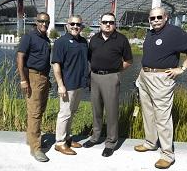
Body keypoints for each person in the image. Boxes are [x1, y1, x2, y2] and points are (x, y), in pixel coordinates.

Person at [134, 7, 187, 169]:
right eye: (152, 18)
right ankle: (150, 142)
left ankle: (167, 154)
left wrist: (182, 68)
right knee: (148, 112)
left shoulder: (174, 32)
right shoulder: (150, 33)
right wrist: (141, 75)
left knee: (162, 117)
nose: (155, 20)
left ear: (166, 17)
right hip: (145, 76)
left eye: (159, 17)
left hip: (161, 79)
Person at [83, 12, 133, 157]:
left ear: (115, 24)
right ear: (100, 23)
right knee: (96, 109)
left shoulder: (121, 39)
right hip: (94, 76)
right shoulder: (94, 39)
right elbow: (90, 58)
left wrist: (116, 71)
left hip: (111, 77)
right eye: (105, 22)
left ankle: (111, 143)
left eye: (111, 22)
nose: (108, 24)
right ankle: (95, 137)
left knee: (111, 112)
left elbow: (129, 61)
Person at [51, 15, 89, 155]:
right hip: (67, 85)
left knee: (72, 113)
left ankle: (67, 138)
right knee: (64, 113)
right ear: (67, 25)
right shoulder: (61, 42)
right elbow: (56, 64)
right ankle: (59, 143)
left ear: (81, 26)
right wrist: (60, 85)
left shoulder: (84, 42)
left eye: (78, 24)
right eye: (72, 24)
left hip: (79, 84)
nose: (75, 26)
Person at [16, 12, 51, 162]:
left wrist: (47, 79)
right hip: (33, 76)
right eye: (41, 21)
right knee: (35, 112)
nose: (44, 24)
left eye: (46, 22)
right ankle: (36, 148)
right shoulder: (28, 37)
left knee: (39, 110)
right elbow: (20, 57)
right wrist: (23, 80)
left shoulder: (45, 39)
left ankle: (30, 138)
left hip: (43, 77)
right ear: (36, 22)